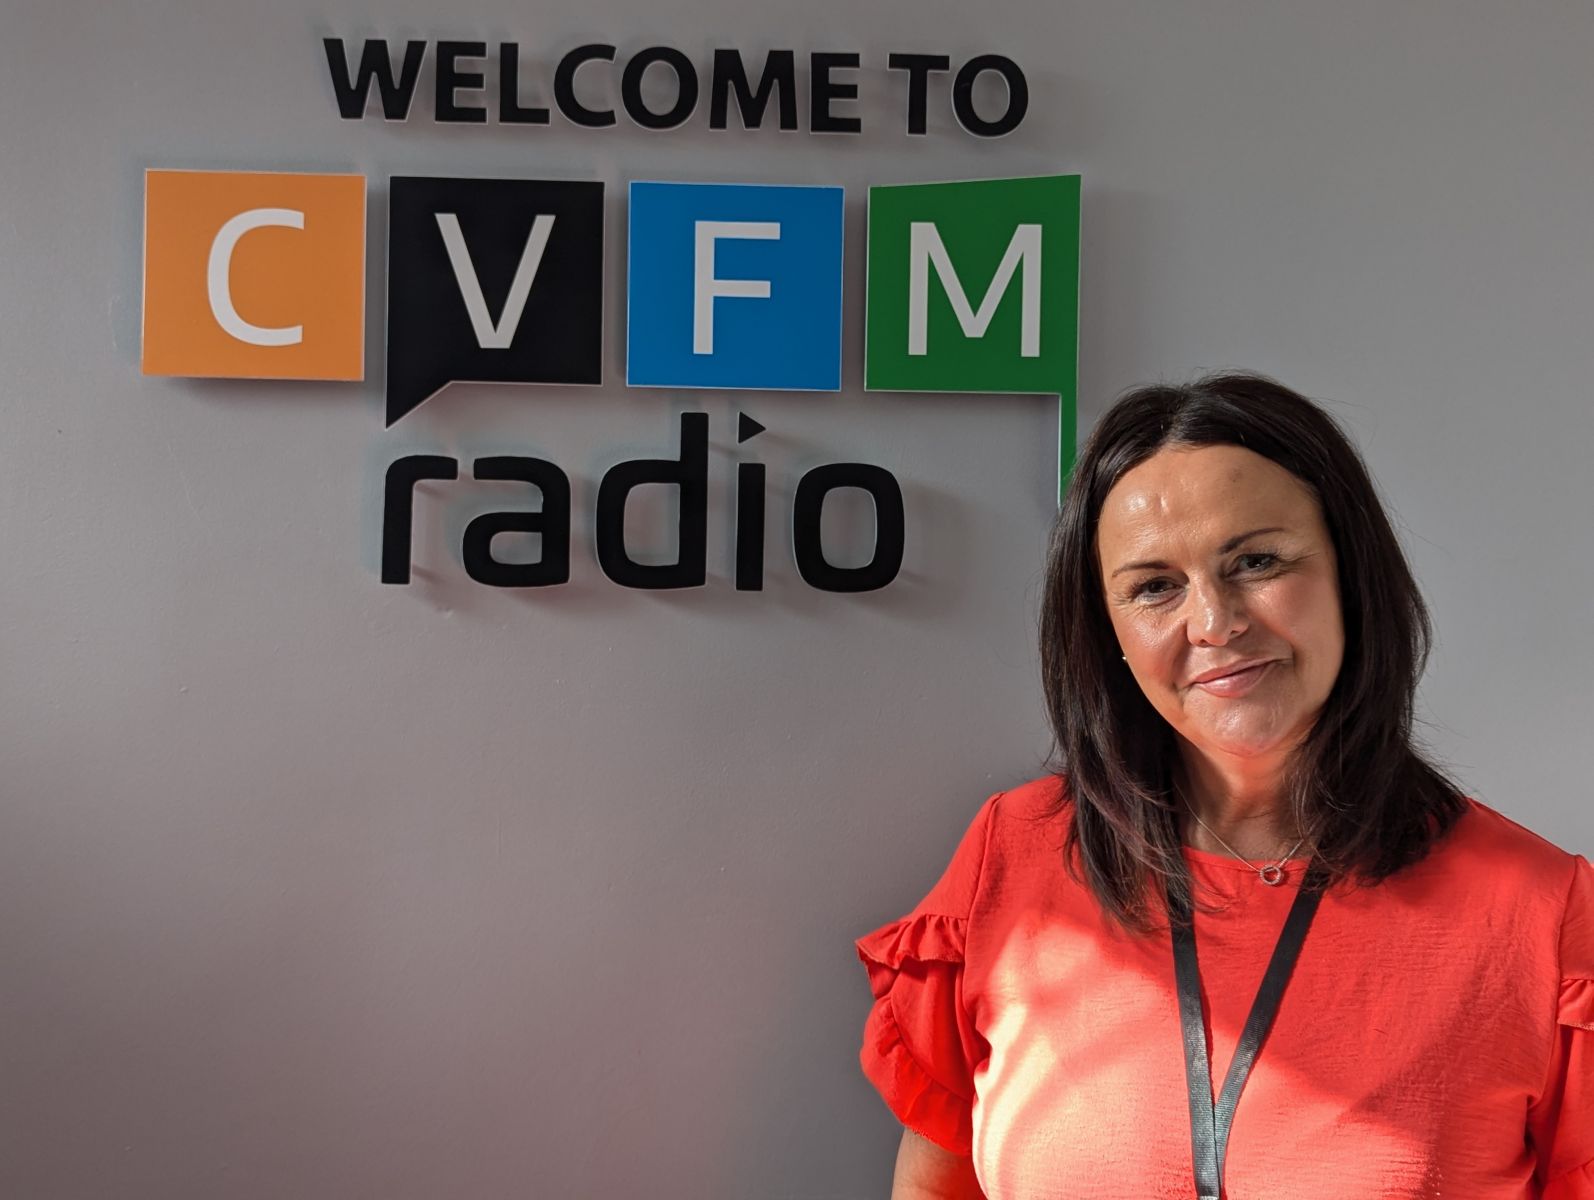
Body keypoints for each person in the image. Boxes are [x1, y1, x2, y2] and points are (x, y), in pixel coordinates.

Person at [855, 373, 1592, 1199]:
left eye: (1256, 561)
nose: (1215, 622)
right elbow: (933, 1187)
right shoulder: (1010, 856)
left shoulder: (1539, 911)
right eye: (1154, 587)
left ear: (1352, 576)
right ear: (1110, 635)